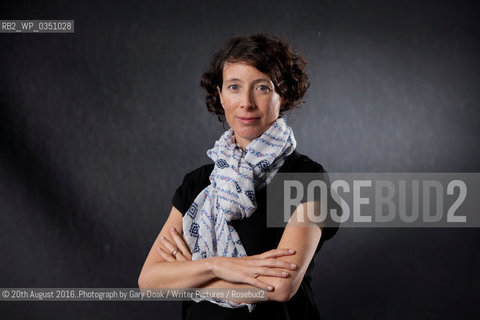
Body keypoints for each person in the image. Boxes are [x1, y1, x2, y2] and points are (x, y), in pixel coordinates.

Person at [138, 33, 338, 320]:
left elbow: (279, 287)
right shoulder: (197, 183)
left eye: (262, 88)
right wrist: (217, 266)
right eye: (234, 87)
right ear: (220, 95)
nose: (246, 102)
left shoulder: (305, 178)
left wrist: (191, 275)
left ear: (284, 95)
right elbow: (150, 281)